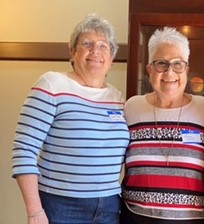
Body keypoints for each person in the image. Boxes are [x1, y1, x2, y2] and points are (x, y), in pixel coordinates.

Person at [11, 13, 130, 224]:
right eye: (87, 43)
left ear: (111, 58)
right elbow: (24, 150)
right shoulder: (51, 85)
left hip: (110, 206)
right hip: (61, 205)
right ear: (73, 51)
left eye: (104, 46)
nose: (96, 51)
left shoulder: (117, 97)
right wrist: (34, 211)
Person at [120, 27, 204, 224]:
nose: (170, 72)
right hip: (136, 218)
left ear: (186, 70)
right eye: (161, 63)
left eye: (177, 64)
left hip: (192, 221)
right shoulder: (131, 108)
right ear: (149, 70)